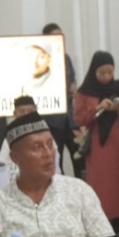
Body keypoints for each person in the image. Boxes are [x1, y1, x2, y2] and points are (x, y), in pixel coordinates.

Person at [0, 113, 112, 237]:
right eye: (37, 147)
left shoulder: (79, 192)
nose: (48, 154)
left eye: (50, 145)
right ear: (15, 157)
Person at [73, 51, 119, 232]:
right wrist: (98, 107)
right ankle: (102, 231)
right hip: (100, 148)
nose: (106, 77)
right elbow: (79, 118)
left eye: (110, 72)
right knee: (103, 189)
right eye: (102, 73)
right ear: (94, 71)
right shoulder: (85, 92)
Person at [41, 23, 82, 177]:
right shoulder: (43, 61)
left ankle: (81, 187)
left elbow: (73, 80)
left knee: (79, 157)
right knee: (57, 159)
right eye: (55, 36)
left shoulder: (66, 58)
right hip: (53, 120)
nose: (59, 39)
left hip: (70, 119)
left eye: (61, 35)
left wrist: (73, 88)